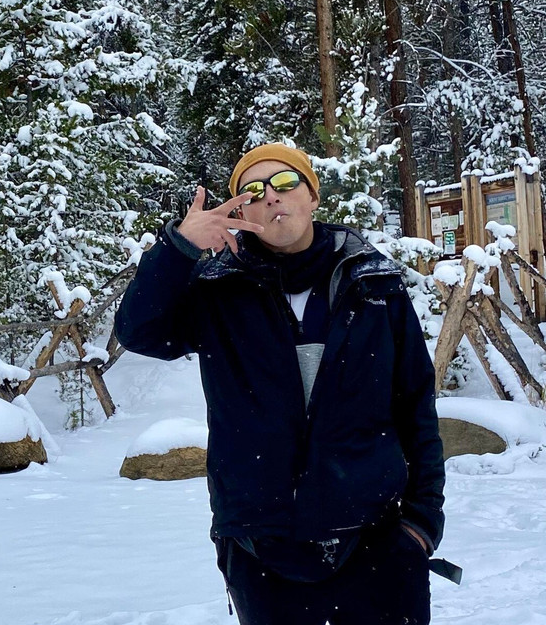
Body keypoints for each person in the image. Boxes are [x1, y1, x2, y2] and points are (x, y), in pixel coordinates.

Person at [114, 143, 445, 625]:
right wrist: (179, 246)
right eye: (252, 190)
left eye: (285, 183)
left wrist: (421, 525)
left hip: (378, 540)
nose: (270, 196)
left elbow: (416, 405)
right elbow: (138, 331)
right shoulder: (217, 290)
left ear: (312, 196)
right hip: (260, 547)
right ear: (241, 212)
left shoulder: (374, 285)